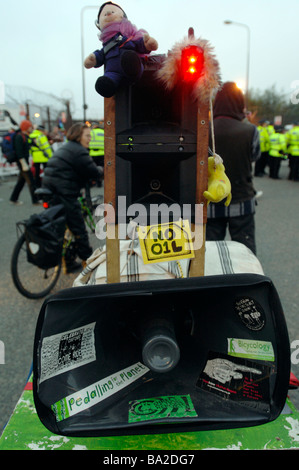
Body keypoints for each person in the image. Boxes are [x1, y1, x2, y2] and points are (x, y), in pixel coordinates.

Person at [206, 82, 260, 254]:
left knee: (211, 254)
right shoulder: (250, 131)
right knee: (245, 252)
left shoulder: (204, 130)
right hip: (242, 201)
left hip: (211, 202)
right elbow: (254, 156)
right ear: (239, 103)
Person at [42, 123, 103, 270]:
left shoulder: (66, 147)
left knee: (61, 225)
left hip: (49, 189)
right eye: (87, 136)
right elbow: (93, 171)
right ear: (78, 136)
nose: (90, 139)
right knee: (79, 229)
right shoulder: (79, 151)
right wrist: (104, 169)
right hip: (64, 193)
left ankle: (67, 260)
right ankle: (90, 265)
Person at [9, 120, 39, 205]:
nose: (31, 128)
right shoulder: (19, 137)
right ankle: (35, 200)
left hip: (24, 162)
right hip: (23, 162)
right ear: (26, 127)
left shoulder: (25, 136)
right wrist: (23, 163)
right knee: (31, 181)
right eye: (29, 127)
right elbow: (19, 152)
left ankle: (13, 198)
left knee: (21, 182)